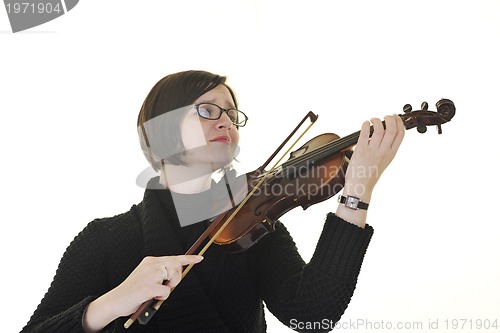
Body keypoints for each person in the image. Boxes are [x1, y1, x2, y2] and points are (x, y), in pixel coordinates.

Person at [21, 70, 405, 332]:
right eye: (207, 110)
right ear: (163, 127)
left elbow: (312, 315)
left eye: (232, 115)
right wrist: (112, 302)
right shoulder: (104, 239)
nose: (226, 122)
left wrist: (358, 188)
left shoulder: (252, 225)